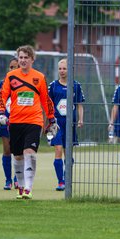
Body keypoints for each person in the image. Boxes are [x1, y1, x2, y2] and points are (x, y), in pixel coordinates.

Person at [0, 45, 56, 199]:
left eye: (26, 58)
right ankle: (21, 186)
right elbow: (2, 97)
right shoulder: (11, 76)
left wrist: (51, 118)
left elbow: (46, 100)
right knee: (17, 156)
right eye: (20, 57)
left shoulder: (39, 77)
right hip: (15, 121)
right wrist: (2, 113)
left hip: (34, 120)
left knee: (30, 153)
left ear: (32, 59)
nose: (23, 60)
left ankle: (29, 188)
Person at [48, 58, 85, 191]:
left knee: (68, 153)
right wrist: (48, 121)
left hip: (70, 124)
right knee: (58, 150)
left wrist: (80, 119)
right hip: (56, 124)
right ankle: (61, 182)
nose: (62, 71)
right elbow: (48, 104)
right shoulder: (53, 85)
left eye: (65, 68)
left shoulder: (76, 86)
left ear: (70, 70)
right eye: (60, 68)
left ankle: (66, 176)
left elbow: (79, 105)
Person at [0, 57, 19, 190]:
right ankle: (8, 180)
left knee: (18, 151)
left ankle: (18, 178)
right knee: (7, 150)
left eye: (16, 67)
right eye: (11, 67)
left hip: (21, 120)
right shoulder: (3, 83)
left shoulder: (25, 83)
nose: (13, 69)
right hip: (5, 121)